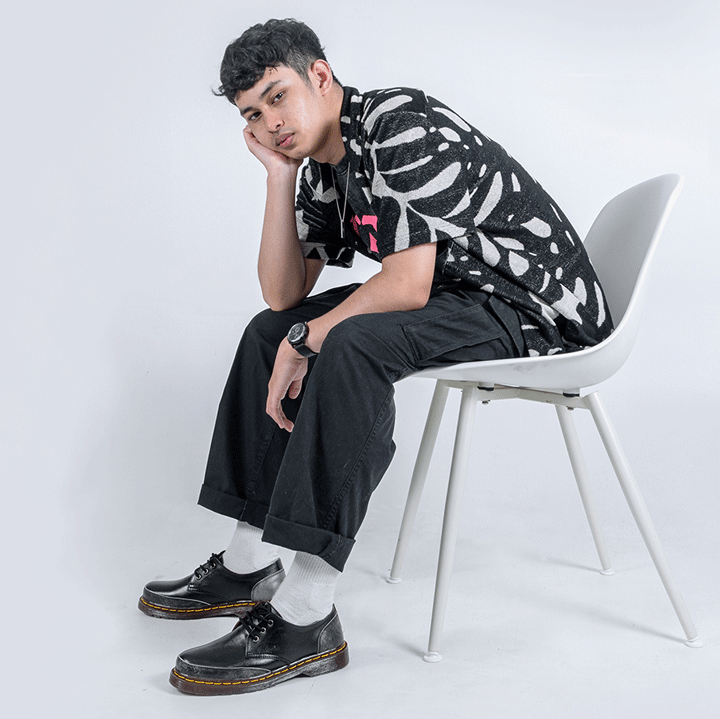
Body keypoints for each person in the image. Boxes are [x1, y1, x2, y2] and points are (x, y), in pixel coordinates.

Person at [139, 18, 614, 695]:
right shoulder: (322, 168)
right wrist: (279, 179)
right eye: (252, 114)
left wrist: (311, 338)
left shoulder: (398, 125)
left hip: (533, 307)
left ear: (320, 76)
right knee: (269, 332)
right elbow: (282, 294)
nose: (271, 122)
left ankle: (307, 612)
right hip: (458, 293)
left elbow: (408, 285)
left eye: (277, 97)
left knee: (349, 342)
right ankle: (248, 566)